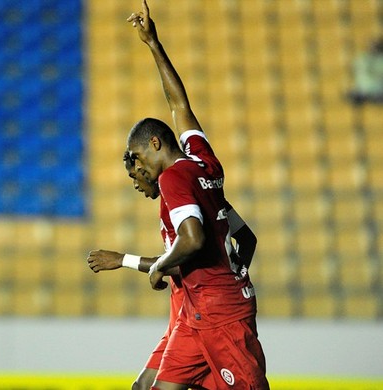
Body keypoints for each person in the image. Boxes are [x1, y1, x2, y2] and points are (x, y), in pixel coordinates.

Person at [126, 1, 268, 388]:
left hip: (221, 314)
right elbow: (180, 104)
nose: (141, 169)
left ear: (155, 144)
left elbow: (192, 238)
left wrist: (156, 267)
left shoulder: (173, 178)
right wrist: (153, 44)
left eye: (139, 157)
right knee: (148, 387)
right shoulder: (203, 159)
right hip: (197, 313)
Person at [88, 151, 257, 389]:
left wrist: (124, 260)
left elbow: (192, 258)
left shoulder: (200, 199)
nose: (136, 184)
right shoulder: (174, 200)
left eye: (136, 175)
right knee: (144, 386)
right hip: (186, 315)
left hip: (210, 314)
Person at [350, 36, 383, 104]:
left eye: (376, 46)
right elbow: (362, 73)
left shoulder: (380, 58)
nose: (374, 48)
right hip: (364, 90)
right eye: (372, 46)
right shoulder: (362, 58)